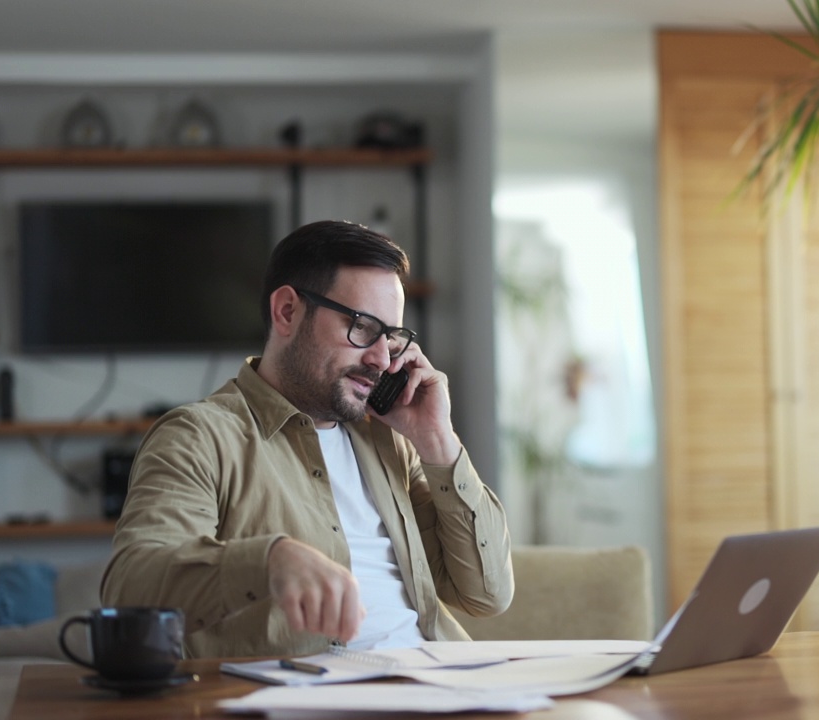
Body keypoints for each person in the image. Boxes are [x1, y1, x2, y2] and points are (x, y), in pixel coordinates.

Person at [101, 220, 514, 658]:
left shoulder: (390, 441)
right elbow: (131, 590)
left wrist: (437, 439)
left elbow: (487, 595)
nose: (379, 358)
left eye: (391, 337)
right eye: (361, 327)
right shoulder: (199, 438)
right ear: (287, 312)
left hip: (440, 685)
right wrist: (269, 561)